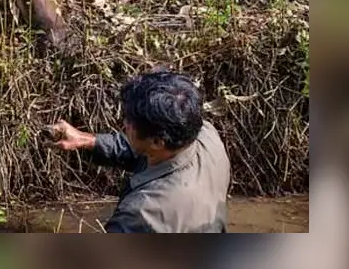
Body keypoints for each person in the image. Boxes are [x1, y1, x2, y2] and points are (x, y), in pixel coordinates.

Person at [45, 70, 231, 233]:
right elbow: (141, 149)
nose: (125, 124)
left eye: (130, 122)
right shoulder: (204, 134)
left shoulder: (142, 213)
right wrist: (85, 140)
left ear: (158, 142)